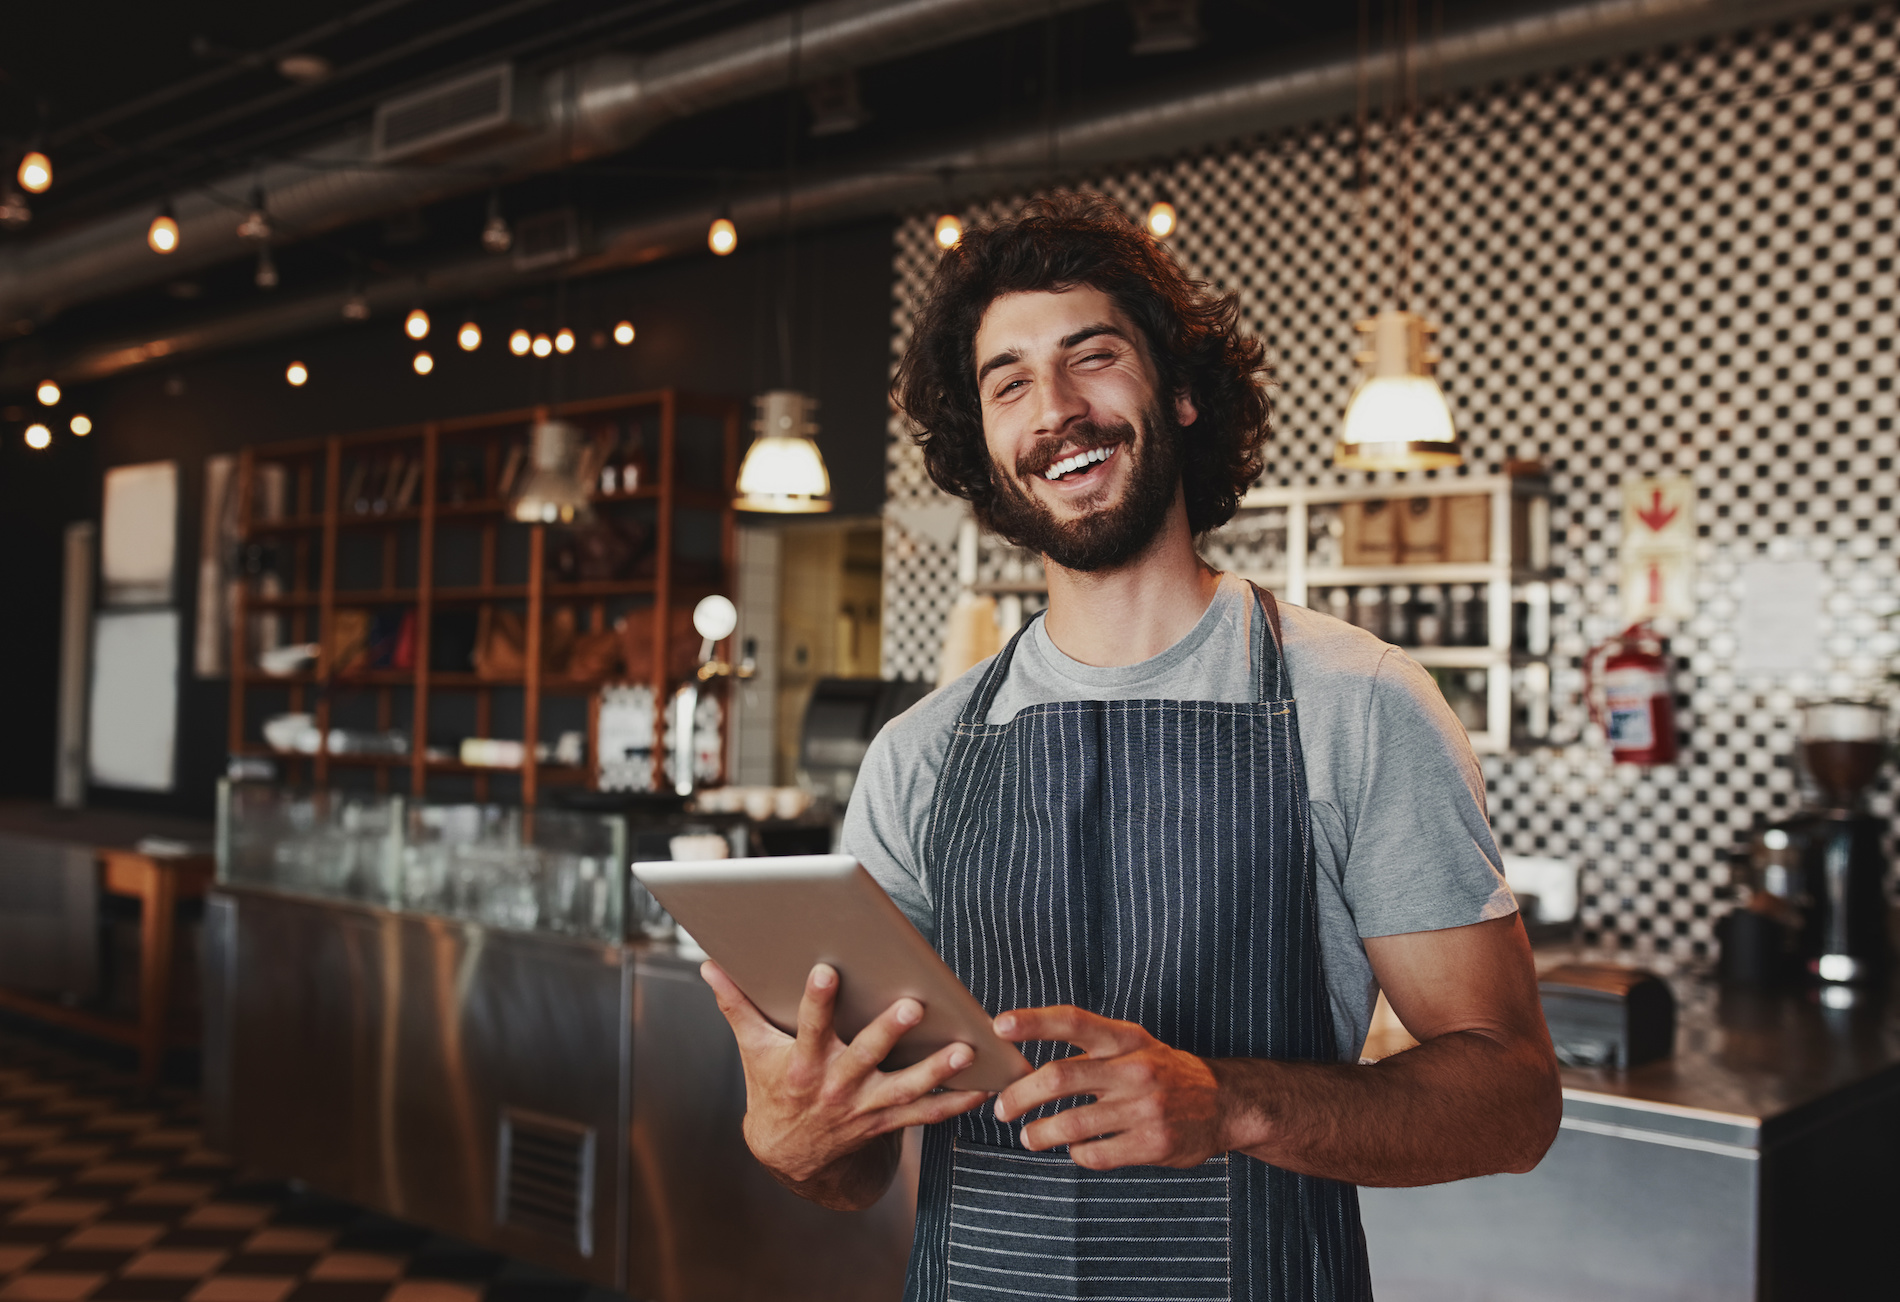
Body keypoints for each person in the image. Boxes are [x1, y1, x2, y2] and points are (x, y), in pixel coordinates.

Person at [702, 192, 1561, 1300]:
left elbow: (1514, 1101)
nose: (1054, 408)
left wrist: (1231, 1103)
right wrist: (795, 1139)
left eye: (1091, 357)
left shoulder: (1360, 705)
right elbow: (856, 1168)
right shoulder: (918, 754)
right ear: (987, 447)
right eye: (1008, 382)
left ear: (1182, 393)